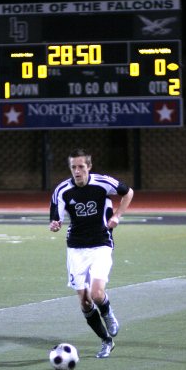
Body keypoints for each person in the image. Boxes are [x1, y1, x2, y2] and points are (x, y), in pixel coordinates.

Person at [49, 148, 134, 358]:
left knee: (97, 294)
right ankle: (106, 341)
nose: (77, 171)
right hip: (76, 249)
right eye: (73, 167)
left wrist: (117, 216)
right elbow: (55, 217)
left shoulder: (102, 182)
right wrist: (55, 224)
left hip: (101, 244)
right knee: (85, 301)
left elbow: (128, 192)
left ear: (89, 167)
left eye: (80, 167)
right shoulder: (62, 190)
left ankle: (108, 313)